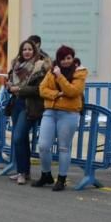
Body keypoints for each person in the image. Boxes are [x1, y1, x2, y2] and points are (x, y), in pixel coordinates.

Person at [32, 45, 87, 191]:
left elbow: (73, 91)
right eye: (62, 58)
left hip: (69, 113)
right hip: (50, 112)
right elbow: (42, 89)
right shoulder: (52, 70)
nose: (66, 61)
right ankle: (46, 175)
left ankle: (61, 179)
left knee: (64, 147)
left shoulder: (80, 71)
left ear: (73, 57)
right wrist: (57, 94)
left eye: (69, 58)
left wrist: (60, 77)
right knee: (43, 146)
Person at [6, 39, 48, 184]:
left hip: (30, 106)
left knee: (18, 137)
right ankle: (23, 171)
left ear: (34, 51)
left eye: (30, 49)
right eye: (24, 49)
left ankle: (22, 172)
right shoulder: (16, 66)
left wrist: (20, 89)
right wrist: (9, 87)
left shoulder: (40, 67)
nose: (27, 52)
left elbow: (39, 89)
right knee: (21, 139)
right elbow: (9, 83)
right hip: (16, 104)